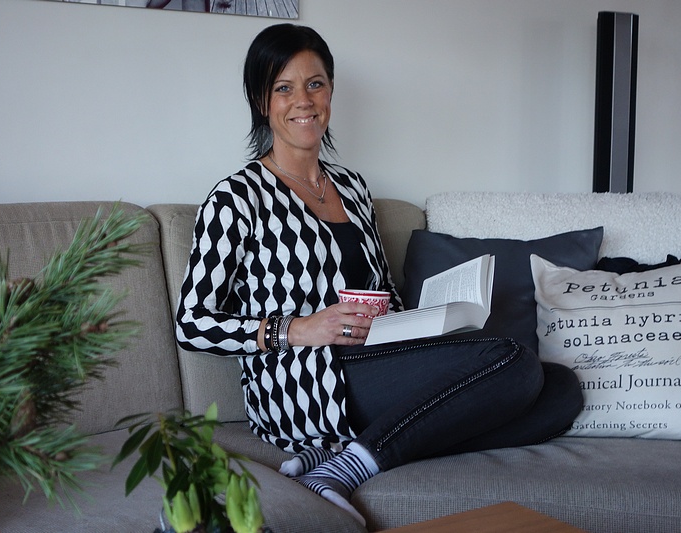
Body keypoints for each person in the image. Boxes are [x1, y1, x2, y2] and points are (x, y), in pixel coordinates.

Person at [176, 23, 583, 526]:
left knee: (561, 390)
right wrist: (299, 328)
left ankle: (346, 450)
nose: (303, 100)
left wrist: (424, 321)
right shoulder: (236, 198)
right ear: (262, 101)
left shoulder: (352, 187)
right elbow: (190, 324)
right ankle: (347, 467)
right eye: (284, 88)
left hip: (375, 357)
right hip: (302, 380)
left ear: (330, 91)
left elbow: (381, 289)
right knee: (515, 360)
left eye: (315, 84)